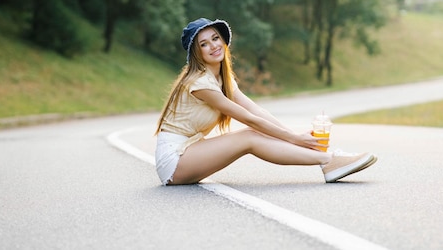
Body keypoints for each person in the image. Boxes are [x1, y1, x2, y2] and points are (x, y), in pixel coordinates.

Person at [154, 17, 377, 186]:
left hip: (191, 149)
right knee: (250, 137)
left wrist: (294, 137)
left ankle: (328, 160)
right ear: (196, 53)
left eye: (215, 38)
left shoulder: (222, 79)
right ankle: (328, 160)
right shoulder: (199, 83)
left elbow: (254, 109)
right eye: (204, 44)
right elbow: (248, 119)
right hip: (174, 160)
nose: (213, 46)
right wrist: (294, 139)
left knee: (253, 134)